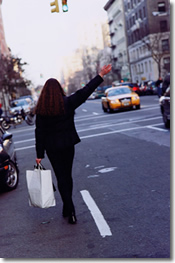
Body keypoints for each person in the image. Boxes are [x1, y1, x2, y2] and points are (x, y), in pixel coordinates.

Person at [35, 64, 112, 224]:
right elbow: (85, 92)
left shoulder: (42, 110)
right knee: (67, 176)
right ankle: (69, 208)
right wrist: (100, 75)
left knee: (60, 177)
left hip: (52, 148)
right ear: (59, 90)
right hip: (68, 145)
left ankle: (68, 207)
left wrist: (39, 155)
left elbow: (39, 132)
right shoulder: (67, 103)